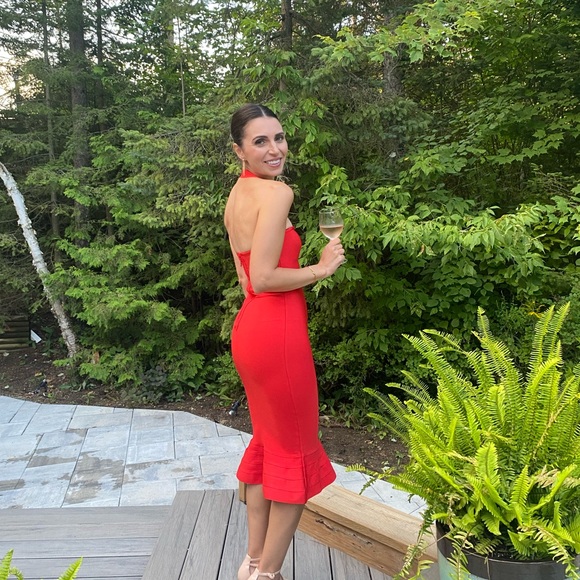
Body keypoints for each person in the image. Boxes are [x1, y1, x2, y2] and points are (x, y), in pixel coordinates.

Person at [224, 103, 345, 580]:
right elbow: (265, 277)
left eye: (279, 137)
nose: (275, 149)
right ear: (239, 150)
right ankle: (268, 574)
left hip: (251, 330)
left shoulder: (238, 195)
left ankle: (252, 562)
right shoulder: (277, 193)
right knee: (294, 454)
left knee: (269, 447)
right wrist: (321, 268)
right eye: (260, 141)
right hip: (277, 336)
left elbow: (245, 281)